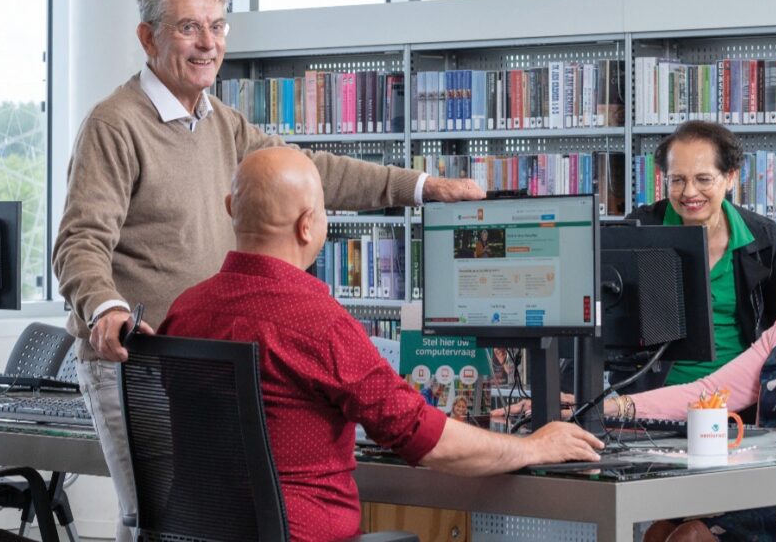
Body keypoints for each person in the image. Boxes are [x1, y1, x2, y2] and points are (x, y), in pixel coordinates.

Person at [51, 0, 484, 542]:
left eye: (216, 26)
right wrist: (103, 307)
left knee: (220, 523)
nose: (208, 43)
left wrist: (421, 187)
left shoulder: (223, 124)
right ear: (148, 38)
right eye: (188, 28)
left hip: (210, 367)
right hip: (141, 366)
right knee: (162, 522)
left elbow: (308, 173)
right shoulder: (115, 125)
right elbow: (81, 240)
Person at [158, 147, 604, 542]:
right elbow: (428, 440)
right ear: (307, 225)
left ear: (230, 208)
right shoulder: (318, 325)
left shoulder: (182, 313)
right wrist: (535, 447)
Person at [500, 190, 776, 541]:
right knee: (660, 529)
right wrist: (601, 406)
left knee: (692, 536)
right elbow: (708, 393)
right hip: (774, 481)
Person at [620, 120, 776, 388]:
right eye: (677, 180)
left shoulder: (763, 236)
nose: (689, 192)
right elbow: (605, 317)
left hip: (742, 395)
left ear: (730, 177)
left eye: (703, 179)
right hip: (657, 395)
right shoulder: (639, 230)